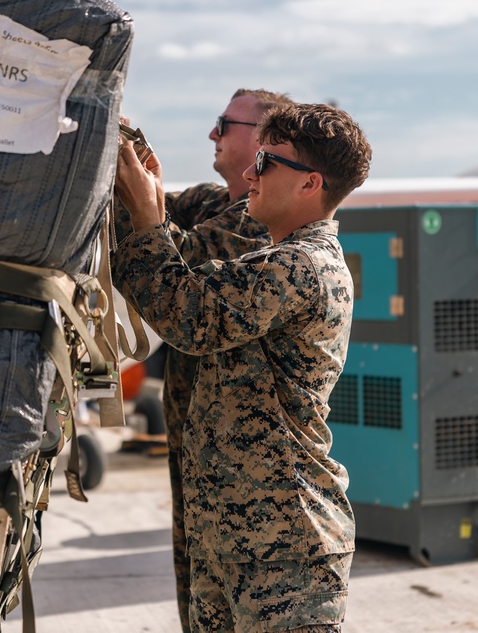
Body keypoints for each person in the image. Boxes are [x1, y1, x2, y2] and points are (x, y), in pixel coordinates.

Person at [112, 102, 372, 632]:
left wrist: (146, 218)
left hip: (284, 548)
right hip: (234, 538)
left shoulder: (301, 268)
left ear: (310, 184)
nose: (251, 173)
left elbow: (186, 314)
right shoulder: (275, 259)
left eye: (267, 163)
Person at [121, 88, 292, 632]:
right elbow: (146, 210)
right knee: (199, 611)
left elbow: (174, 271)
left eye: (225, 124)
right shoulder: (212, 203)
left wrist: (143, 210)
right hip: (199, 454)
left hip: (248, 478)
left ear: (265, 141)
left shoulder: (261, 225)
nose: (212, 135)